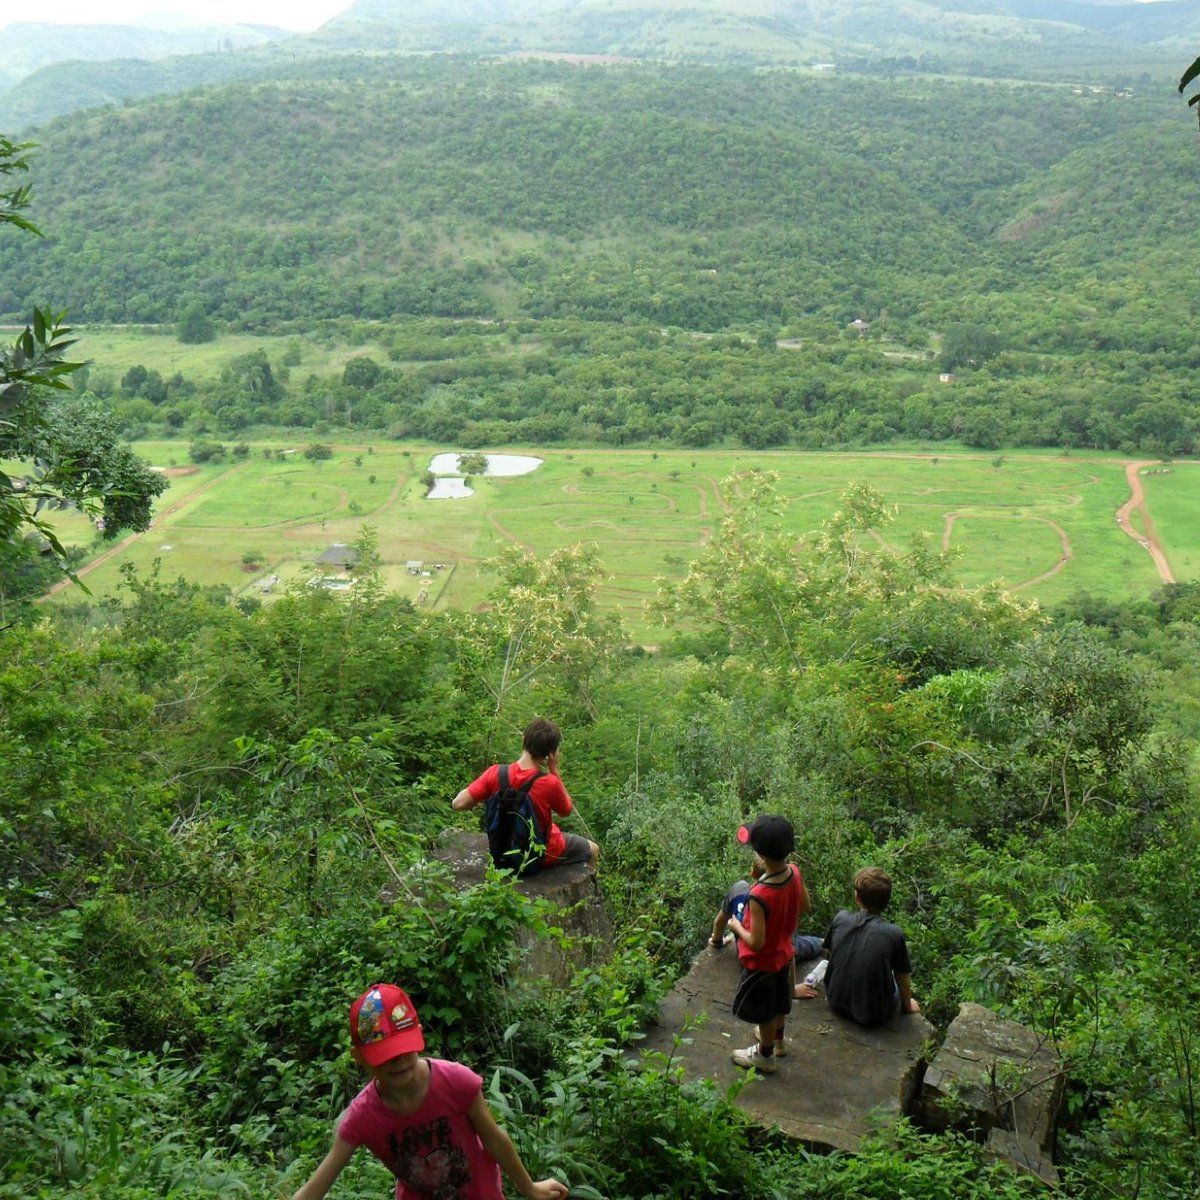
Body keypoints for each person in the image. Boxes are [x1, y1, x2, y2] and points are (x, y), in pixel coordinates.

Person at [291, 982, 569, 1200]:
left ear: (419, 1037)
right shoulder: (363, 1117)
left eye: (402, 1050)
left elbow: (494, 1139)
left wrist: (529, 1188)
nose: (397, 1061)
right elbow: (317, 1185)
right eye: (384, 1055)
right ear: (359, 1057)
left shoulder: (456, 1082)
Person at [452, 717, 599, 871]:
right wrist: (554, 769)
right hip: (541, 854)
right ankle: (591, 893)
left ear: (524, 739)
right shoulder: (549, 783)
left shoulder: (496, 773)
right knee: (593, 849)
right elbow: (566, 810)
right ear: (551, 753)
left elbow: (457, 803)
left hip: (501, 853)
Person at [726, 815, 810, 1074]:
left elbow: (757, 942)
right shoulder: (794, 872)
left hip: (762, 965)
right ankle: (779, 1042)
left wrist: (736, 926)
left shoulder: (759, 894)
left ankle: (765, 1055)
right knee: (780, 1003)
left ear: (760, 853)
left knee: (764, 1012)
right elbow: (806, 906)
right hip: (784, 953)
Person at [795, 866, 920, 1026]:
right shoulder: (894, 933)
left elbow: (831, 952)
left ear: (857, 897)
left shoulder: (841, 918)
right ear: (887, 901)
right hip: (873, 1014)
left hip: (835, 999)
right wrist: (907, 1005)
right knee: (894, 982)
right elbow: (902, 974)